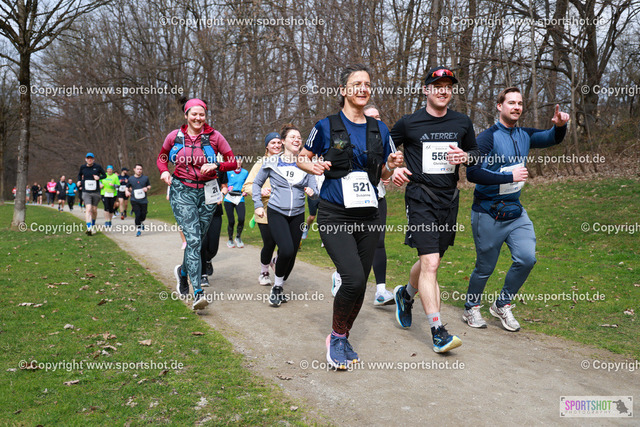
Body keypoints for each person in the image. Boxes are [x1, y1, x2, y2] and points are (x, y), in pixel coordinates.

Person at [298, 64, 403, 369]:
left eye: (367, 84)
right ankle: (335, 337)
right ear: (343, 90)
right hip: (335, 213)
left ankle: (343, 336)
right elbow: (302, 157)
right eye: (356, 84)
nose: (362, 88)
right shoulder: (326, 125)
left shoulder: (380, 129)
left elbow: (383, 173)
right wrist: (312, 166)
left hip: (369, 214)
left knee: (361, 283)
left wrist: (392, 165)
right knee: (353, 278)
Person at [462, 88, 569, 331]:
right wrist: (508, 176)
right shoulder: (487, 138)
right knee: (485, 268)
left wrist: (560, 126)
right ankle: (471, 307)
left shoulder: (525, 135)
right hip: (488, 211)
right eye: (511, 102)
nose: (517, 107)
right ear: (499, 106)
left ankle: (502, 304)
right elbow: (472, 173)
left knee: (527, 259)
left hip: (515, 211)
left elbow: (551, 138)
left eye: (520, 103)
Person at [390, 66, 480, 354]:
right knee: (431, 264)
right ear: (426, 90)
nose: (443, 91)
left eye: (448, 87)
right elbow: (384, 148)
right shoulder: (409, 123)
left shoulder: (462, 122)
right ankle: (438, 331)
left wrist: (466, 156)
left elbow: (477, 154)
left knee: (433, 260)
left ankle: (405, 295)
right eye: (437, 86)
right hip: (420, 198)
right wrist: (393, 167)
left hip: (449, 199)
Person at [157, 98, 237, 310]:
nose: (198, 118)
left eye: (202, 114)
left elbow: (232, 161)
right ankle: (198, 293)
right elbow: (162, 157)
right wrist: (164, 171)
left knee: (198, 240)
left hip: (208, 191)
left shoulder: (215, 136)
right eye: (194, 114)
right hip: (182, 190)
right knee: (192, 239)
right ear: (186, 115)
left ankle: (182, 272)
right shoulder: (174, 136)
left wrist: (216, 164)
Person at [330, 103, 395, 306]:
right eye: (371, 117)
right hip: (348, 201)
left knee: (379, 242)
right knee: (353, 245)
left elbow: (389, 166)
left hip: (376, 198)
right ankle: (340, 275)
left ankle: (381, 291)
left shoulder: (383, 136)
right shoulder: (345, 137)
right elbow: (334, 161)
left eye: (378, 116)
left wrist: (391, 171)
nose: (376, 120)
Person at [254, 123, 318, 307]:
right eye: (292, 137)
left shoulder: (306, 164)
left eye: (299, 137)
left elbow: (315, 190)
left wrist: (312, 192)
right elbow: (256, 184)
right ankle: (277, 288)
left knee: (290, 256)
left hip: (298, 214)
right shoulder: (271, 162)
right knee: (287, 249)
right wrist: (258, 205)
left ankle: (279, 280)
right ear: (283, 141)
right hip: (276, 212)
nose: (297, 140)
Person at [243, 132, 283, 285]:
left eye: (279, 142)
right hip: (265, 210)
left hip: (284, 209)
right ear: (267, 146)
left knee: (286, 244)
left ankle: (277, 261)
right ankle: (264, 272)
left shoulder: (287, 162)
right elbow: (247, 186)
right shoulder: (261, 163)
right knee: (270, 243)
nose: (277, 145)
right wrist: (260, 191)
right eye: (273, 143)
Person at [199, 170, 228, 287]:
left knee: (213, 248)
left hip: (215, 211)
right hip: (199, 211)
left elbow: (224, 186)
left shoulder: (219, 168)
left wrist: (222, 194)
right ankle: (203, 275)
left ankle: (208, 260)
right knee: (202, 243)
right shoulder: (193, 168)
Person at [78, 153, 107, 235]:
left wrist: (99, 177)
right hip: (86, 191)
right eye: (88, 158)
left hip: (96, 192)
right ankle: (89, 227)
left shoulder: (98, 167)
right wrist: (79, 181)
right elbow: (79, 175)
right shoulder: (83, 167)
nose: (89, 159)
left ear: (93, 159)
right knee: (88, 209)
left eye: (91, 158)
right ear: (85, 159)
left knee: (94, 210)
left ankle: (93, 224)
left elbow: (105, 175)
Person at [224, 156, 249, 248]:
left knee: (241, 219)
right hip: (229, 198)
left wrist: (246, 191)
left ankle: (238, 237)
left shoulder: (245, 172)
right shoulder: (228, 172)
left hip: (239, 197)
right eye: (236, 161)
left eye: (239, 161)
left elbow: (247, 184)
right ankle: (230, 239)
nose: (238, 163)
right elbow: (223, 183)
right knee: (231, 221)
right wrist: (227, 187)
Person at [126, 164, 151, 237]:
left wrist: (147, 188)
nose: (139, 170)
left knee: (143, 215)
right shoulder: (131, 179)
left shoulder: (145, 178)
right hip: (134, 200)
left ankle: (141, 222)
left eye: (140, 169)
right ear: (134, 169)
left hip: (143, 200)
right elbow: (127, 187)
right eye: (138, 169)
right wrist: (126, 191)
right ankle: (138, 229)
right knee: (137, 214)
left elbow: (149, 185)